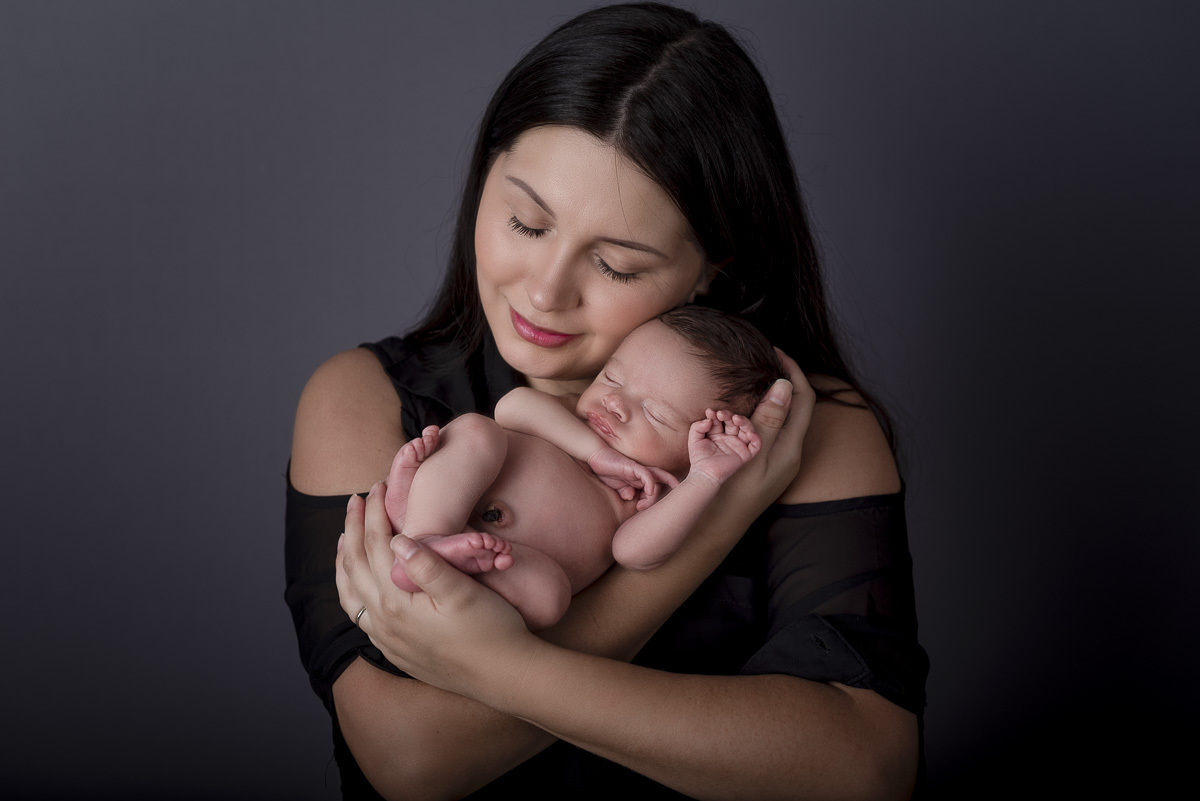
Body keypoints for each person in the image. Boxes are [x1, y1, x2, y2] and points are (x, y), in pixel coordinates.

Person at [285, 3, 928, 799]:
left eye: (617, 265)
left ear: (711, 270)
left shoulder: (798, 427)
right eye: (526, 222)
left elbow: (866, 768)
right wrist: (709, 530)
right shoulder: (363, 397)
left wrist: (494, 665)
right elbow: (412, 758)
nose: (545, 292)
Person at [385, 307, 779, 630]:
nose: (614, 402)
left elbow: (632, 552)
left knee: (550, 597)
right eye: (612, 377)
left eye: (655, 414)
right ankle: (423, 530)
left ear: (696, 448)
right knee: (475, 431)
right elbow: (511, 407)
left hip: (501, 562)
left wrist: (705, 479)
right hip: (454, 501)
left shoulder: (658, 492)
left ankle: (439, 555)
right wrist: (594, 453)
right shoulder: (572, 418)